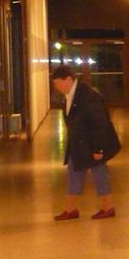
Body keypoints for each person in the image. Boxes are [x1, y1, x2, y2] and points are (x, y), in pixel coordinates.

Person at [50, 64, 121, 220]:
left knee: (99, 173)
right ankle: (71, 209)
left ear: (68, 79)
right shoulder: (71, 95)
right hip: (80, 144)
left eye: (57, 83)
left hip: (93, 144)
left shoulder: (88, 95)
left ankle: (107, 207)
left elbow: (100, 123)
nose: (56, 87)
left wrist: (99, 149)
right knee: (74, 172)